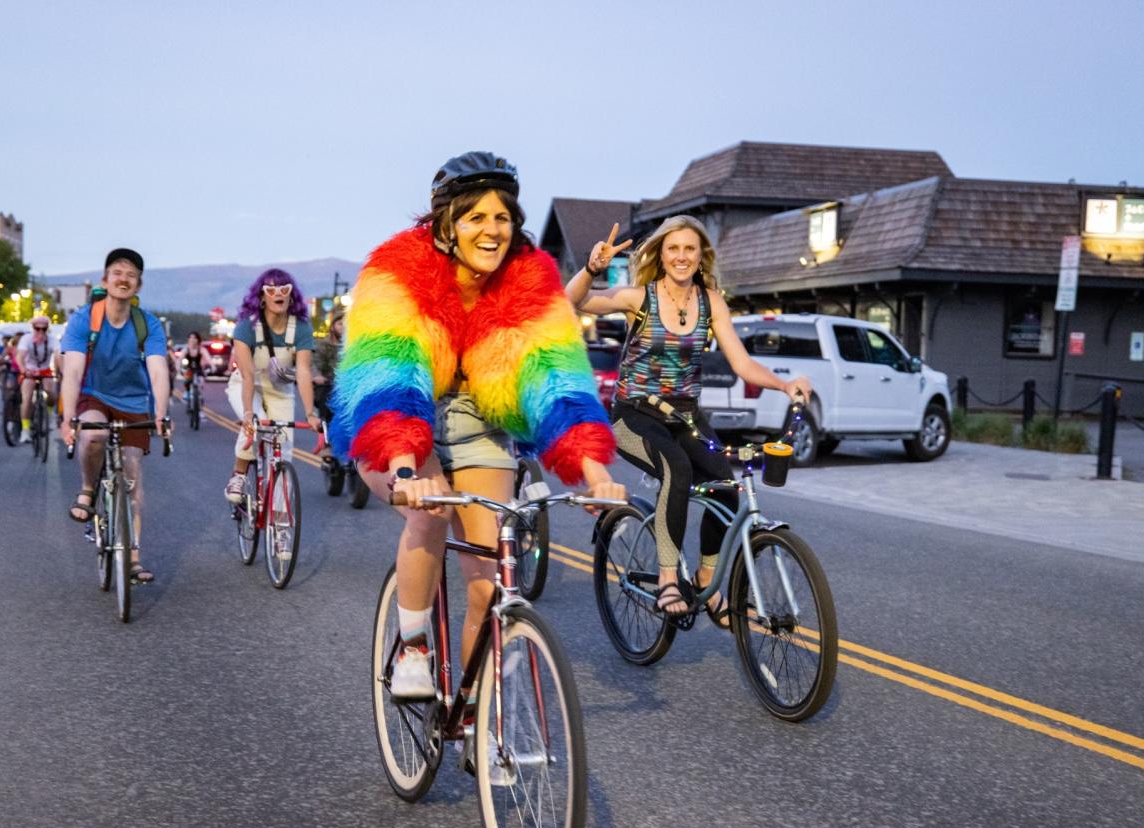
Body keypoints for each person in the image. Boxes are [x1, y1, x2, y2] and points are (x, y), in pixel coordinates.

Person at [330, 151, 624, 700]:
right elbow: (388, 375)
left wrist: (592, 472)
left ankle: (477, 719)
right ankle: (413, 647)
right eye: (477, 218)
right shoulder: (397, 269)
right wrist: (404, 468)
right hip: (396, 415)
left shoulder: (529, 273)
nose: (492, 231)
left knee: (490, 582)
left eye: (502, 218)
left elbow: (555, 376)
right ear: (446, 223)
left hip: (476, 418)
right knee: (430, 510)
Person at [567, 217, 813, 619]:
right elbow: (573, 302)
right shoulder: (638, 298)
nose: (681, 256)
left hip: (685, 417)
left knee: (727, 489)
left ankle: (704, 577)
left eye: (689, 249)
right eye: (673, 248)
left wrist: (784, 386)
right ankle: (668, 580)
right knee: (676, 470)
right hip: (635, 416)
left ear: (701, 257)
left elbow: (742, 364)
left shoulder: (710, 302)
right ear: (661, 255)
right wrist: (592, 269)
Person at [59, 248, 173, 584]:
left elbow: (158, 371)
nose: (123, 279)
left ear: (138, 286)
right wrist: (68, 419)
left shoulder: (146, 324)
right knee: (93, 434)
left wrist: (162, 415)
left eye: (131, 275)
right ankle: (87, 487)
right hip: (93, 393)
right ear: (105, 281)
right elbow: (73, 369)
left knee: (133, 474)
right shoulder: (85, 319)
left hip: (134, 400)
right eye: (117, 273)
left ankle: (133, 557)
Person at [222, 269, 321, 502]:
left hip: (280, 389)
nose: (278, 293)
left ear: (291, 295)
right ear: (262, 296)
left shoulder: (301, 328)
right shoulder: (247, 326)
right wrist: (247, 413)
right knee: (255, 424)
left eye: (284, 289)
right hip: (247, 384)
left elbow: (304, 371)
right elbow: (246, 374)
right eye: (271, 289)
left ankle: (280, 522)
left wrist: (310, 413)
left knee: (283, 448)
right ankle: (238, 474)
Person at [17, 316, 60, 442]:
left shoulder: (52, 340)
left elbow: (58, 356)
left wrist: (60, 371)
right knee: (27, 399)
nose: (41, 332)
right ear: (33, 328)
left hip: (45, 370)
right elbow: (20, 356)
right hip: (29, 370)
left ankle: (49, 416)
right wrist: (23, 369)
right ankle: (25, 430)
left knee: (52, 395)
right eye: (38, 328)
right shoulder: (26, 339)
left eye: (44, 329)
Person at [180, 330, 206, 396]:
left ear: (198, 340)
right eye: (190, 337)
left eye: (194, 338)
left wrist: (213, 366)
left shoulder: (201, 349)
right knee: (187, 379)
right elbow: (179, 359)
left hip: (198, 368)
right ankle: (187, 392)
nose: (192, 339)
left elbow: (208, 358)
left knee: (201, 380)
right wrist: (178, 366)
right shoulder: (186, 349)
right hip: (188, 368)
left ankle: (200, 394)